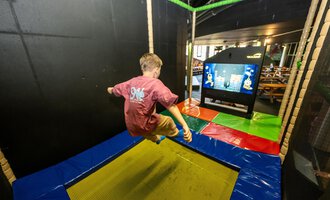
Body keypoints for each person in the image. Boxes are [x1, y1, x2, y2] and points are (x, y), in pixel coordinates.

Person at [107, 53, 192, 144]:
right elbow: (171, 105)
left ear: (142, 68)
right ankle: (175, 133)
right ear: (156, 70)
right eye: (159, 71)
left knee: (145, 131)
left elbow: (115, 90)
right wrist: (185, 125)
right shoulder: (155, 83)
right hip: (145, 124)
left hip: (131, 126)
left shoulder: (131, 82)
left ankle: (157, 139)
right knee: (168, 121)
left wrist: (110, 89)